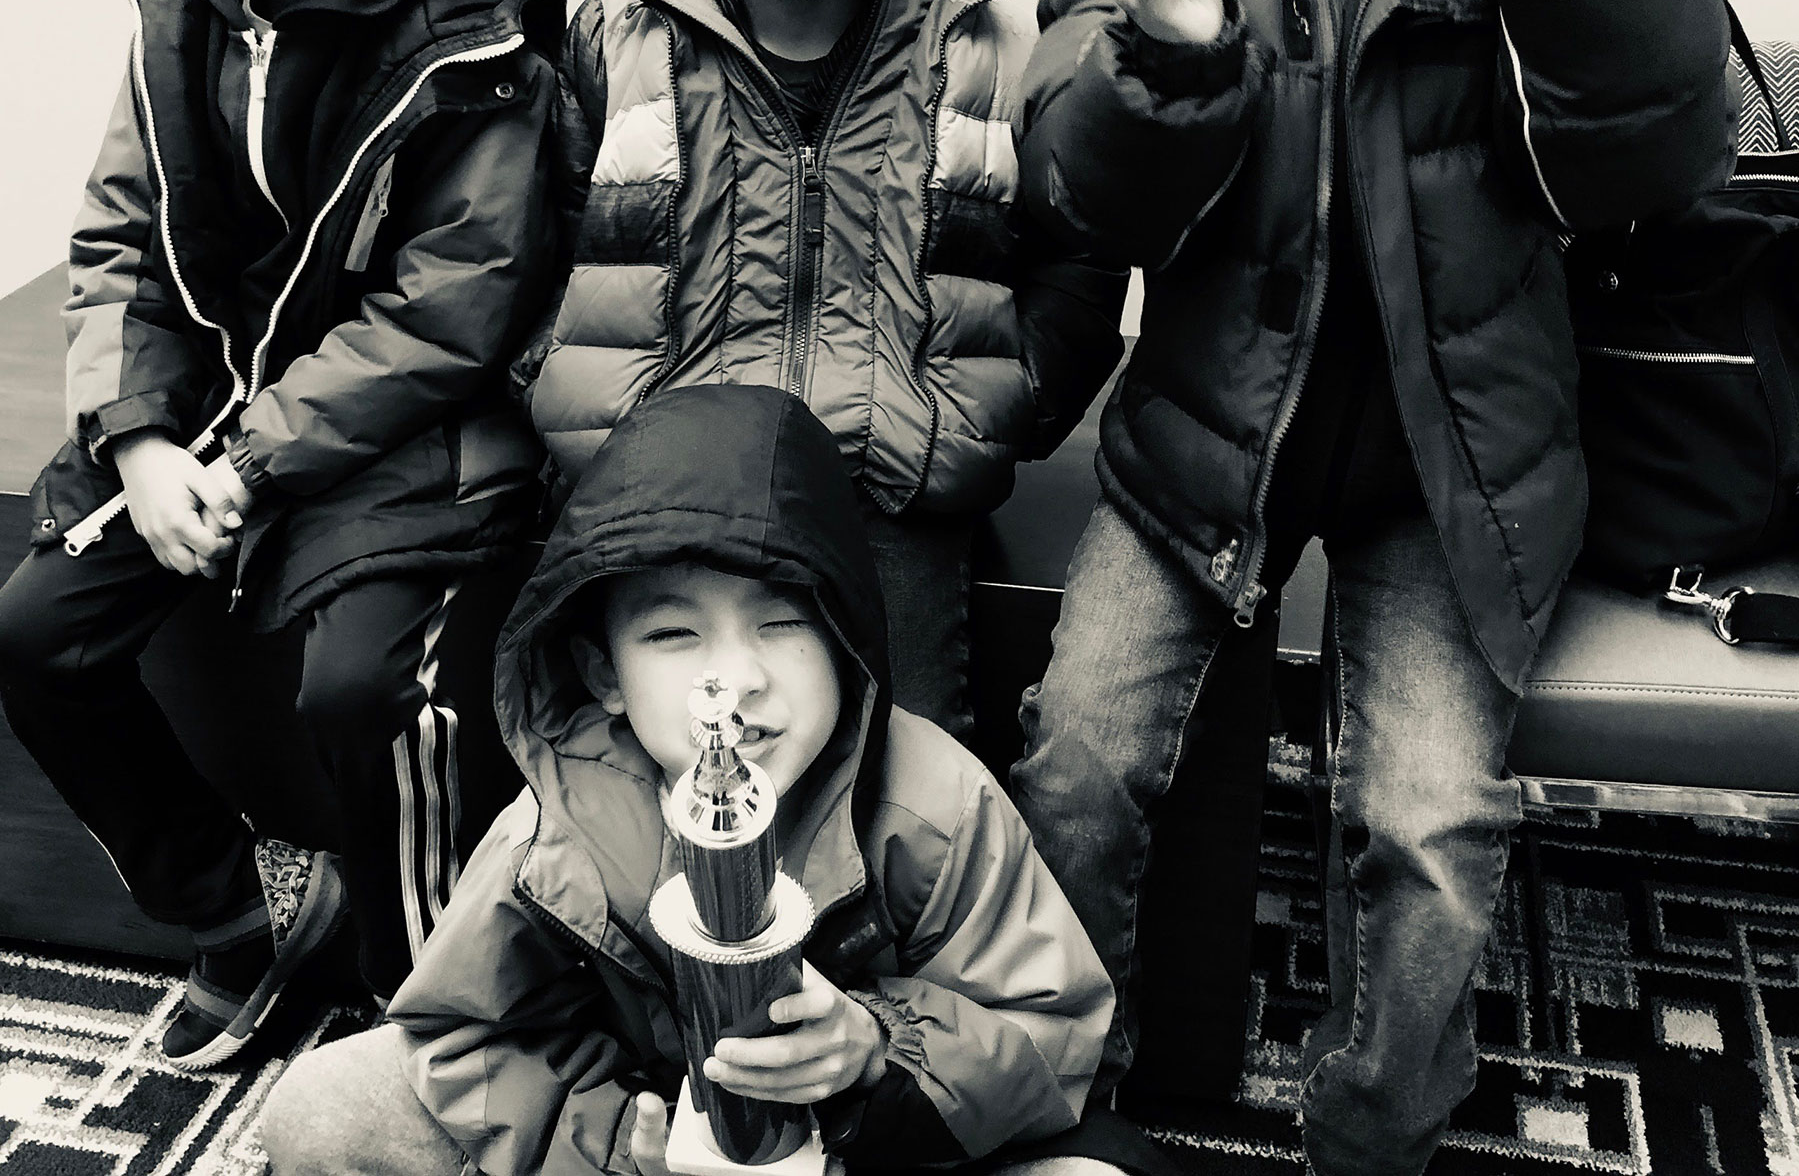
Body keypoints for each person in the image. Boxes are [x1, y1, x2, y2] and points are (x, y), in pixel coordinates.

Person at [1007, 0, 1737, 1170]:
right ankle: (1053, 1101)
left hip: (1449, 468)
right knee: (1078, 761)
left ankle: (1376, 1131)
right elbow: (1070, 191)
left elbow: (1666, 160)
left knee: (1432, 826)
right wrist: (1170, 59)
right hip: (1205, 438)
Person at [0, 0, 563, 1061]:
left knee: (363, 686)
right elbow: (118, 236)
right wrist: (138, 437)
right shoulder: (177, 7)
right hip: (206, 405)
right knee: (35, 634)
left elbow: (454, 305)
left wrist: (247, 462)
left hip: (410, 426)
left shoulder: (473, 37)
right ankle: (243, 907)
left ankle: (423, 995)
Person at [259, 383, 1163, 1176]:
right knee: (326, 1105)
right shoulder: (555, 832)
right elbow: (465, 1039)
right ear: (603, 673)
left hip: (880, 1147)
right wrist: (626, 1145)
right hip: (657, 1148)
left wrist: (875, 1050)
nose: (734, 681)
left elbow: (1054, 1036)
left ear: (846, 641)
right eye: (673, 634)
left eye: (783, 623)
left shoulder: (936, 805)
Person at [515, 0, 1124, 740]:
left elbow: (1075, 245)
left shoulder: (979, 45)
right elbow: (532, 242)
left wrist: (1005, 404)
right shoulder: (619, 39)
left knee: (898, 781)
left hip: (886, 494)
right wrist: (571, 403)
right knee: (648, 779)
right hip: (657, 485)